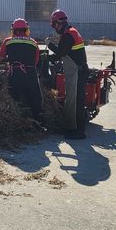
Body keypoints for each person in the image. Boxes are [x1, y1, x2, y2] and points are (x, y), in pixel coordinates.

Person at [47, 10, 88, 139]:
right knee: (73, 100)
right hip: (77, 70)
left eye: (54, 26)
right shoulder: (71, 32)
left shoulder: (68, 35)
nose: (55, 28)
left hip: (77, 71)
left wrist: (49, 45)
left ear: (59, 23)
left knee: (75, 102)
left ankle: (78, 132)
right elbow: (65, 52)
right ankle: (71, 128)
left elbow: (60, 53)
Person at [0, 18, 43, 121]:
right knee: (36, 99)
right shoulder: (34, 43)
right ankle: (40, 123)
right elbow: (36, 61)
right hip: (31, 74)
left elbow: (1, 58)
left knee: (13, 99)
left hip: (15, 74)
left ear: (13, 30)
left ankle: (15, 122)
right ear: (26, 30)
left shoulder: (8, 41)